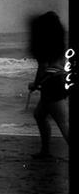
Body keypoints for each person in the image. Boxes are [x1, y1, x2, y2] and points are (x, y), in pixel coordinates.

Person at [28, 11, 70, 158]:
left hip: (51, 83)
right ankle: (45, 151)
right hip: (60, 80)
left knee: (63, 123)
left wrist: (34, 84)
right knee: (39, 115)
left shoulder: (43, 44)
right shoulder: (60, 43)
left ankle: (45, 151)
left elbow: (43, 68)